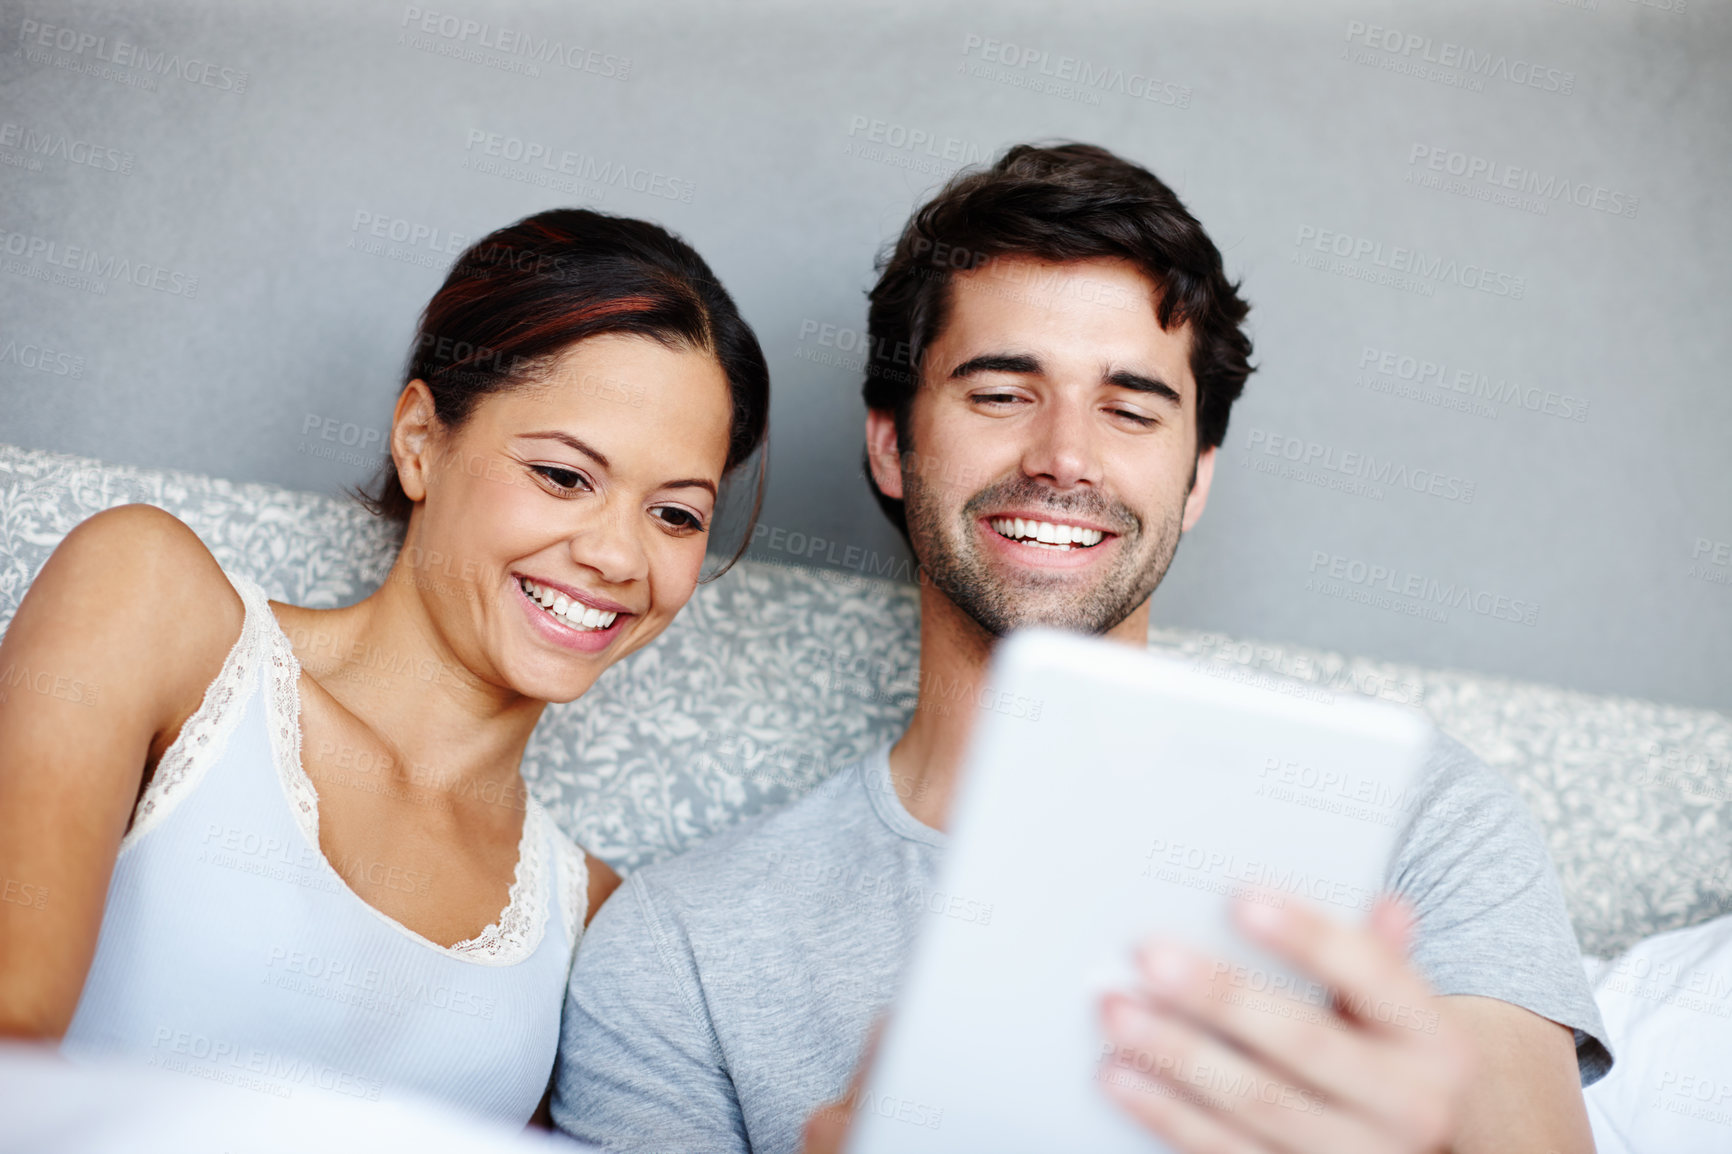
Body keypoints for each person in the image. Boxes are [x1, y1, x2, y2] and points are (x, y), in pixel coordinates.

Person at [551, 145, 1611, 1154]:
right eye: (1002, 393)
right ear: (892, 442)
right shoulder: (677, 948)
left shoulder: (1415, 819)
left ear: (1195, 478)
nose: (1063, 455)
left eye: (1130, 407)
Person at [0, 208, 769, 1127]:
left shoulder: (595, 920)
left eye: (677, 515)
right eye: (565, 476)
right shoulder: (155, 603)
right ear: (420, 441)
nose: (618, 557)